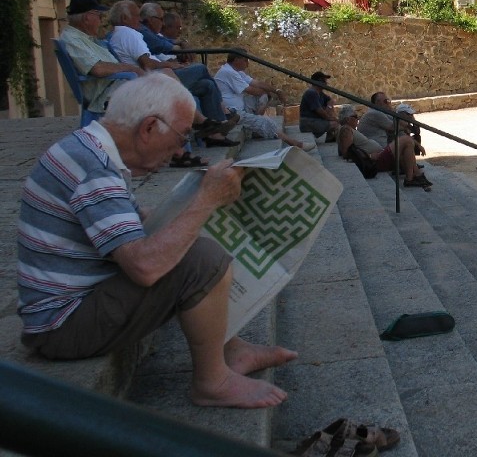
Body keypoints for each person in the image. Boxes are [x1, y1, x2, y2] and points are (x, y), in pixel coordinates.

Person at [17, 72, 297, 408]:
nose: (181, 151)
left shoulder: (88, 150)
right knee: (202, 260)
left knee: (191, 240)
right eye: (181, 138)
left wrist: (192, 208)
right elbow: (144, 267)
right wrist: (205, 200)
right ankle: (212, 382)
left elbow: (131, 222)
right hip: (63, 325)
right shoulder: (94, 168)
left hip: (71, 309)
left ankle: (232, 349)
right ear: (149, 127)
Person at [108, 0, 238, 147]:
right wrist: (169, 64)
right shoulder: (129, 33)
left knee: (206, 85)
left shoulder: (118, 34)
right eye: (137, 15)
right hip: (152, 81)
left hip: (151, 79)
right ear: (125, 19)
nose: (140, 19)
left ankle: (215, 134)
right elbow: (148, 64)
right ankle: (220, 115)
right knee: (200, 68)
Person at [60, 0, 145, 115]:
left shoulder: (81, 37)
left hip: (111, 86)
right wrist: (130, 68)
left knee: (161, 84)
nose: (100, 21)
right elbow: (97, 69)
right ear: (87, 18)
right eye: (99, 16)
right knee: (158, 90)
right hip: (104, 93)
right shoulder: (72, 39)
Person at [214, 50, 316, 152]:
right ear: (237, 60)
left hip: (241, 105)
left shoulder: (236, 72)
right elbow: (252, 91)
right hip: (233, 112)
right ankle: (295, 143)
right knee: (265, 120)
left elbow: (257, 84)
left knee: (263, 97)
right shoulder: (228, 72)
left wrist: (276, 91)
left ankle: (256, 125)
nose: (247, 63)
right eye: (245, 60)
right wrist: (267, 93)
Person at [337, 105, 432, 189]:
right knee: (405, 140)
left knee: (407, 145)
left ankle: (414, 175)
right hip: (375, 160)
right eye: (355, 117)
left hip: (378, 157)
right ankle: (411, 178)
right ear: (347, 119)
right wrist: (369, 156)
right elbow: (346, 153)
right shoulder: (346, 130)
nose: (358, 119)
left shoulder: (350, 130)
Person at [298, 71, 339, 143]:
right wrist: (330, 116)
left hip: (314, 120)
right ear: (319, 81)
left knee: (335, 121)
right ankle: (330, 139)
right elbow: (321, 112)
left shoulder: (319, 93)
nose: (326, 83)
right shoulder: (311, 93)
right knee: (335, 124)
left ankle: (330, 139)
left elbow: (330, 101)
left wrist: (330, 113)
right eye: (325, 81)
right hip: (308, 122)